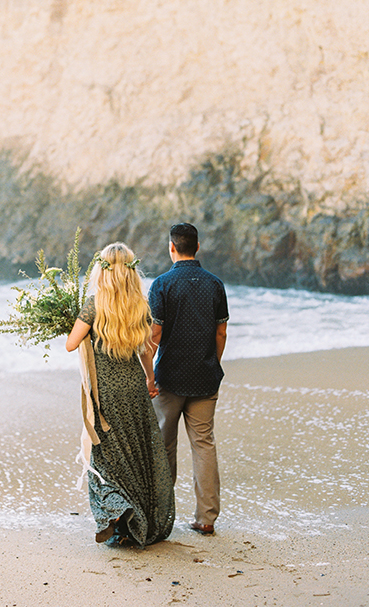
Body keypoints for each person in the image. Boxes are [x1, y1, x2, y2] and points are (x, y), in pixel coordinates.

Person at [66, 242, 175, 546]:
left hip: (106, 393)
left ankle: (119, 511)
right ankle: (136, 517)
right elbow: (146, 351)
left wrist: (73, 323)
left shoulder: (94, 304)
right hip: (133, 388)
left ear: (101, 270)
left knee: (105, 456)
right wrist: (151, 380)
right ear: (131, 271)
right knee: (135, 454)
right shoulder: (140, 304)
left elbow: (71, 344)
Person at [148, 222, 228, 535]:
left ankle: (162, 516)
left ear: (172, 247)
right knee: (204, 445)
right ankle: (206, 518)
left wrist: (150, 374)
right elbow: (221, 330)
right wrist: (212, 363)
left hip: (169, 377)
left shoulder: (162, 284)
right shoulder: (215, 284)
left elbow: (155, 333)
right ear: (197, 247)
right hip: (205, 378)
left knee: (164, 446)